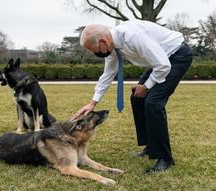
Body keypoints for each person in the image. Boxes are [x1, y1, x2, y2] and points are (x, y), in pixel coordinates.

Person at [75, 19, 193, 174]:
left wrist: (146, 86)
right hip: (160, 61)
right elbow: (108, 74)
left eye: (94, 50)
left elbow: (164, 65)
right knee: (137, 98)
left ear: (103, 41)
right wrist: (93, 103)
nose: (95, 53)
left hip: (176, 56)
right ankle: (151, 145)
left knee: (153, 103)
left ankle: (165, 158)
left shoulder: (132, 36)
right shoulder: (111, 47)